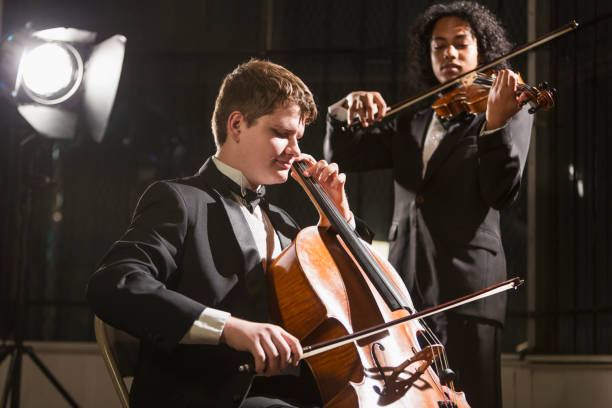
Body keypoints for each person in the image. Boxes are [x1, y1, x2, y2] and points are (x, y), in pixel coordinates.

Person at [87, 59, 369, 408]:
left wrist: (340, 221)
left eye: (298, 137)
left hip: (297, 396)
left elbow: (355, 293)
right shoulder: (180, 200)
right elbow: (115, 283)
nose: (296, 151)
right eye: (281, 133)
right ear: (237, 125)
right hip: (210, 398)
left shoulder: (283, 223)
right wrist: (230, 328)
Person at [324, 2, 534, 407]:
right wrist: (341, 112)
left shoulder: (507, 106)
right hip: (406, 285)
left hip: (470, 286)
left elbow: (502, 191)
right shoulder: (415, 117)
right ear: (429, 55)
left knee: (473, 400)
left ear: (481, 50)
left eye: (460, 43)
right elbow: (347, 156)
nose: (449, 54)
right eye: (439, 46)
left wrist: (494, 126)